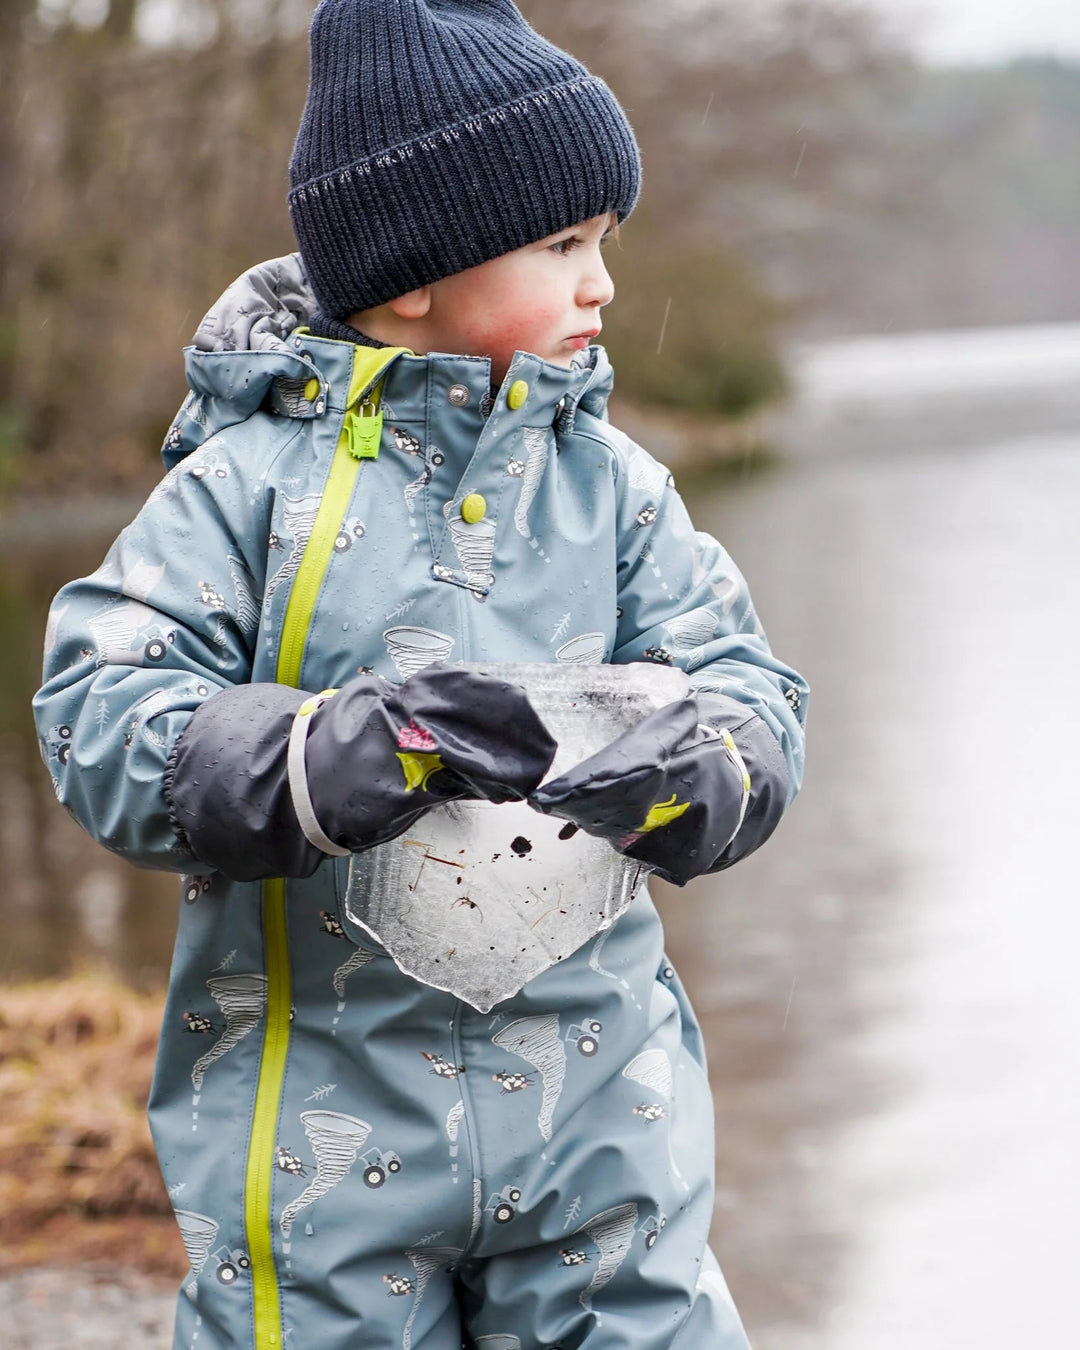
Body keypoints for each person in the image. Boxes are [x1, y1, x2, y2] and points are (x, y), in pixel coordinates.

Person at [33, 1, 808, 1347]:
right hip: (320, 1137)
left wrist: (706, 765)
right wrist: (322, 753)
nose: (601, 284)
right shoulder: (243, 489)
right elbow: (99, 707)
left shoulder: (616, 493)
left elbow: (748, 687)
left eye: (604, 245)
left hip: (602, 1127)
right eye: (563, 244)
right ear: (414, 277)